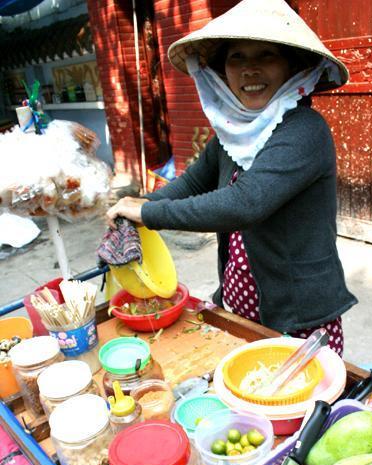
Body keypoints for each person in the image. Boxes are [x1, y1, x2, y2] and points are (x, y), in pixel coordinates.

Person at [105, 0, 357, 356]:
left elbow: (245, 203)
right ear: (222, 70)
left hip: (297, 311)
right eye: (237, 57)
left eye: (265, 55)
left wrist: (148, 215)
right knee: (248, 393)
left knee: (291, 403)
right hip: (240, 296)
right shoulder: (234, 133)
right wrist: (139, 204)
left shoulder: (303, 130)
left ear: (291, 67)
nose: (249, 70)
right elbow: (193, 183)